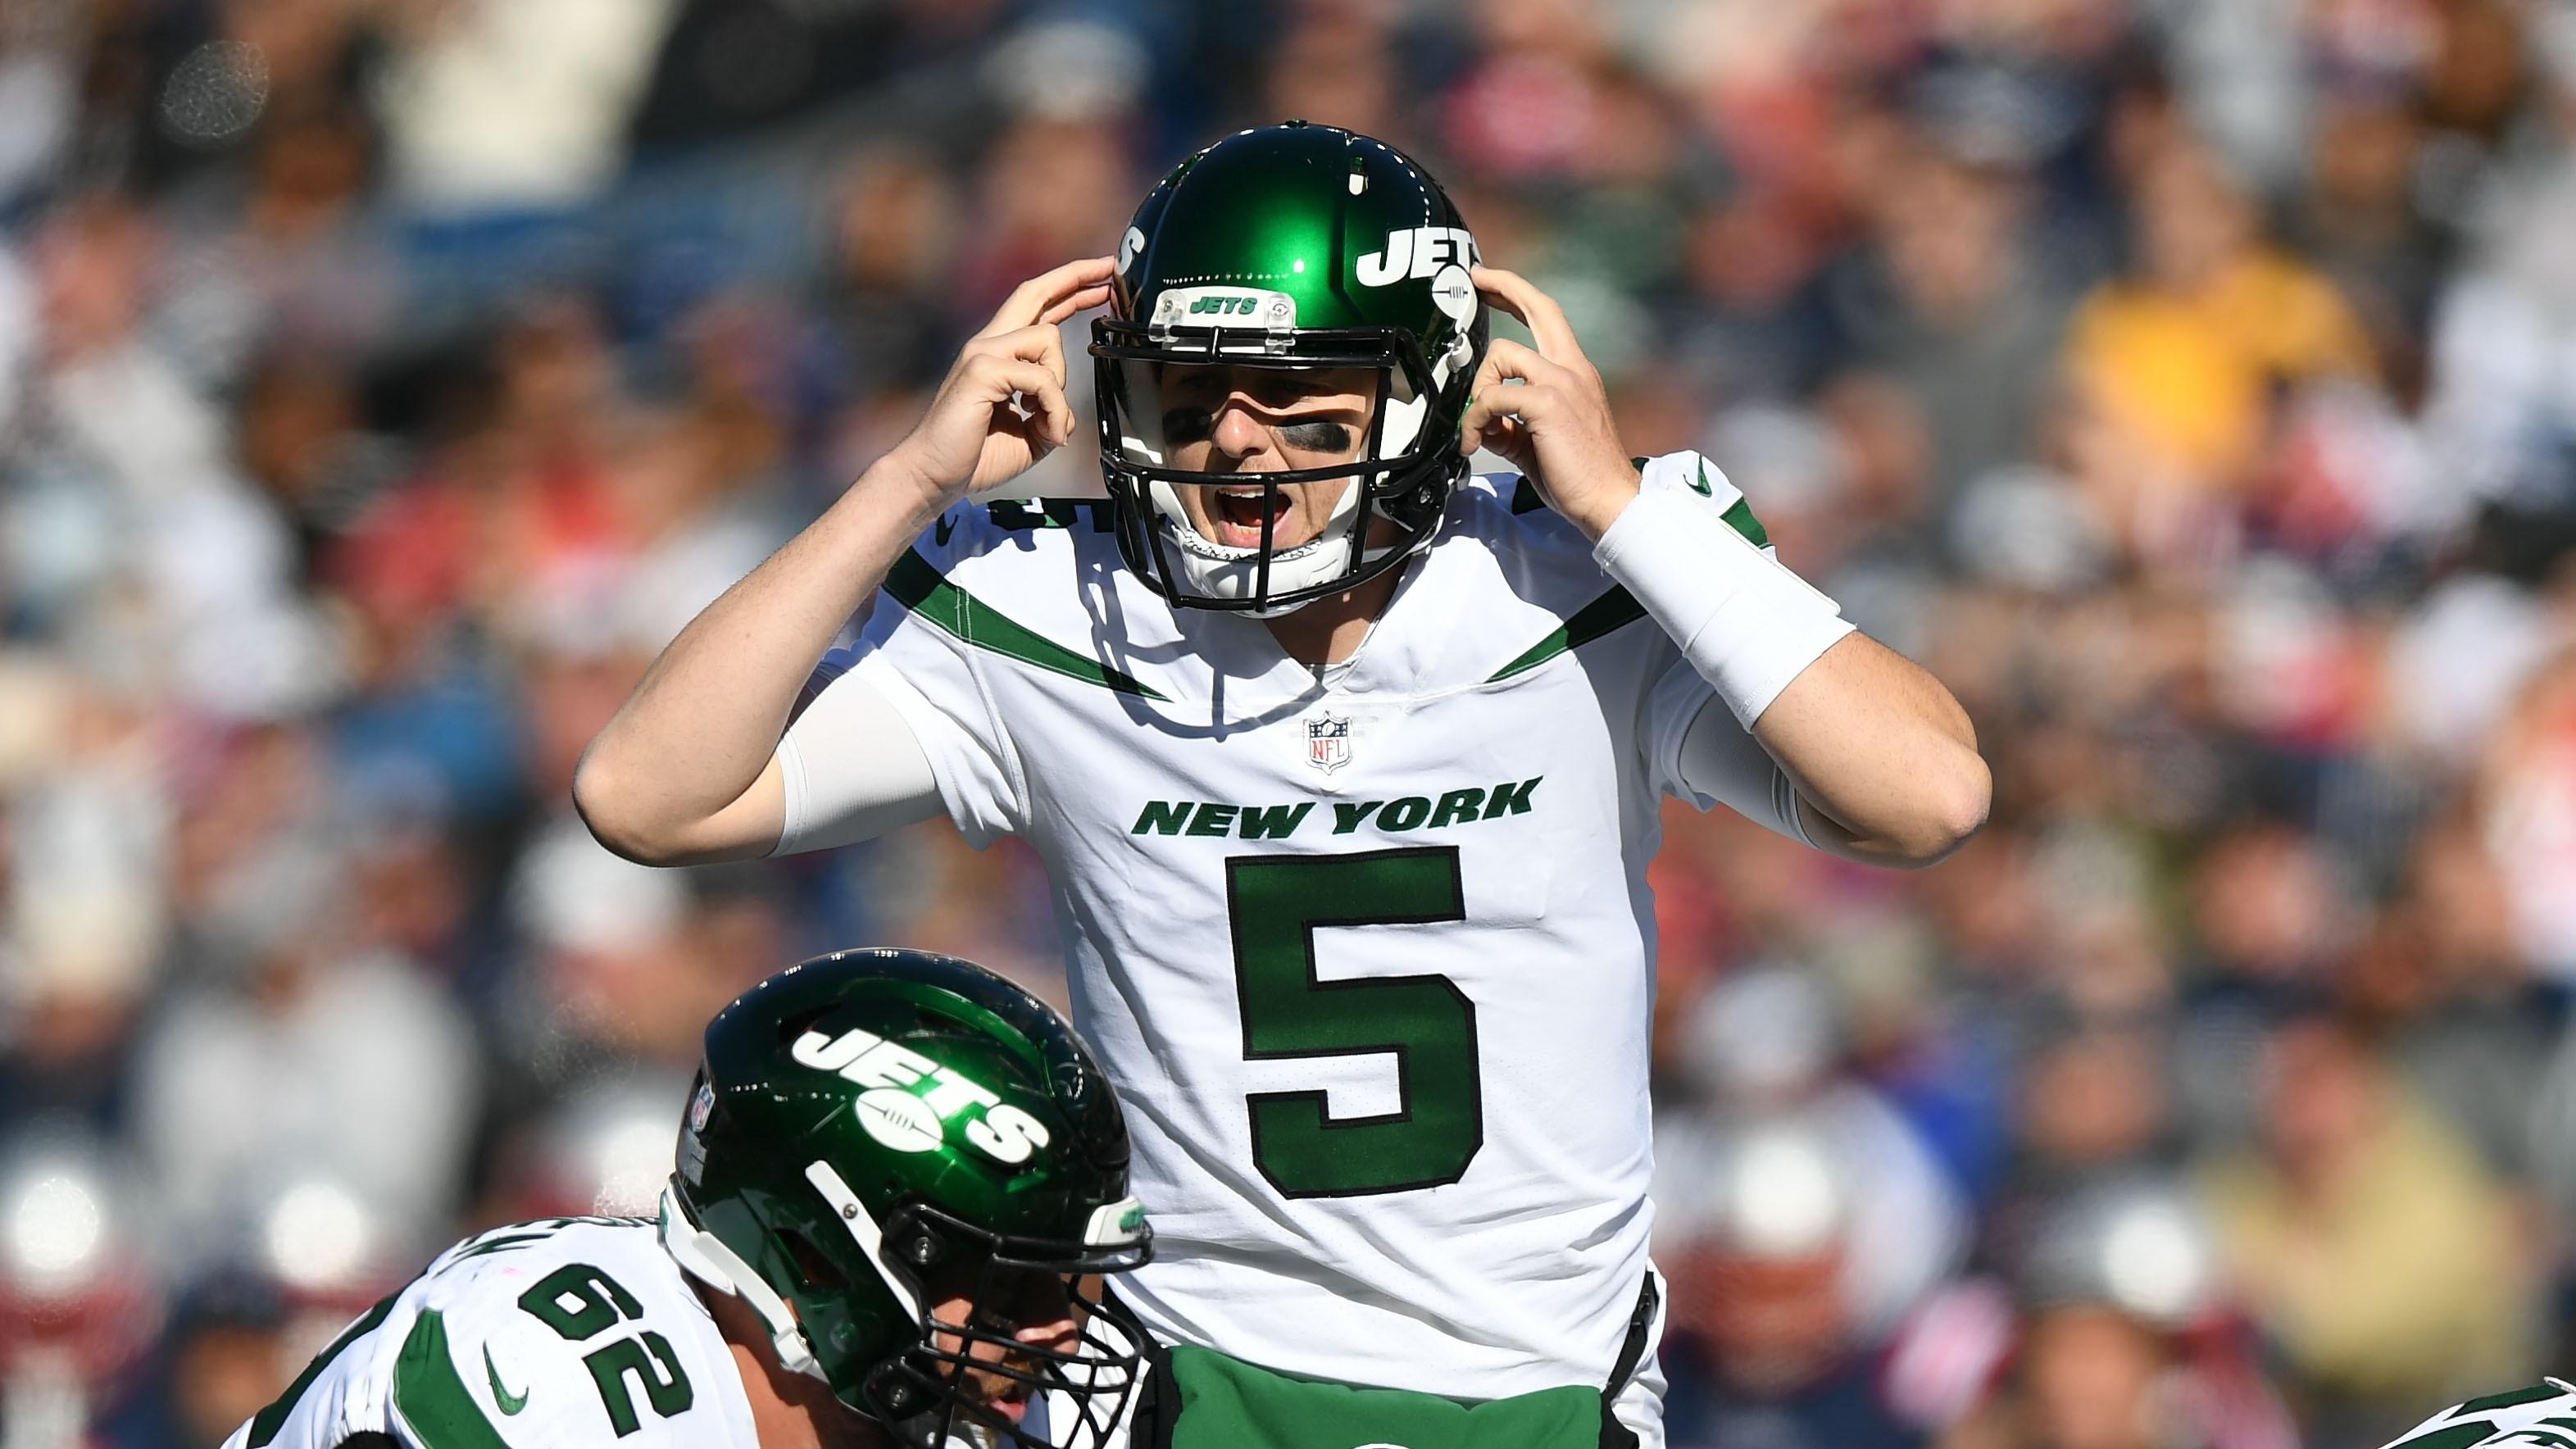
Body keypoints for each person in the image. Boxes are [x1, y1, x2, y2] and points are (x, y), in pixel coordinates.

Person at [575, 121, 1990, 1447]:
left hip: (1528, 1390)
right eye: (1190, 393)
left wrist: (1622, 504)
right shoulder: (1050, 605)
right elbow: (649, 795)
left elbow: (1925, 793)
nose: (1236, 440)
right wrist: (903, 477)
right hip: (1173, 1380)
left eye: (1299, 392)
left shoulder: (1575, 576)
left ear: (1431, 384)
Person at [218, 948, 1154, 1449]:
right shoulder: (562, 1385)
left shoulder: (934, 1413)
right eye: (1018, 1291)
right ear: (823, 1258)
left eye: (1072, 1288)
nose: (1065, 1335)